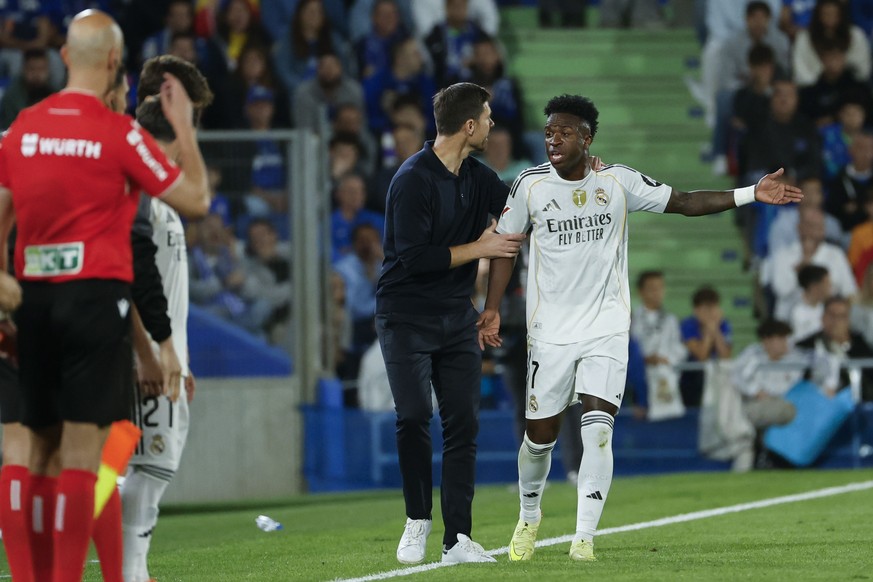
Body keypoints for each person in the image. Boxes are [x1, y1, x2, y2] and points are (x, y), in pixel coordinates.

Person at [477, 94, 800, 562]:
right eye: (548, 133)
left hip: (606, 328)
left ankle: (584, 538)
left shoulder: (618, 181)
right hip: (550, 333)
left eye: (564, 133)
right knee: (539, 439)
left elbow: (684, 201)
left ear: (587, 138)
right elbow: (506, 247)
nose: (553, 140)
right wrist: (492, 308)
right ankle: (529, 517)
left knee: (598, 431)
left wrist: (751, 192)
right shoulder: (529, 185)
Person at [0, 11, 210, 581]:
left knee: (34, 455)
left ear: (65, 56)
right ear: (115, 62)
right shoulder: (118, 134)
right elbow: (196, 199)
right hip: (97, 306)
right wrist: (184, 128)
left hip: (32, 305)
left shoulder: (23, 128)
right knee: (87, 461)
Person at [376, 82, 525, 565]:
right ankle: (417, 519)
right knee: (413, 415)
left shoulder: (479, 177)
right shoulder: (411, 179)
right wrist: (482, 247)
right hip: (405, 316)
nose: (492, 125)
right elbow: (416, 259)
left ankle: (456, 538)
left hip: (457, 315)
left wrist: (581, 178)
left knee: (463, 424)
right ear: (469, 125)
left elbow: (522, 206)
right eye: (487, 117)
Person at [121, 55, 214, 582]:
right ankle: (129, 569)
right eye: (189, 113)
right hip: (144, 358)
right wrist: (152, 350)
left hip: (163, 353)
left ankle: (131, 567)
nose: (191, 128)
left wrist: (177, 351)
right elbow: (128, 274)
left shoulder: (159, 190)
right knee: (143, 466)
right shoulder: (136, 184)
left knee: (140, 465)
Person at [790, 264, 831, 342]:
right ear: (814, 286)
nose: (830, 287)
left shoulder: (827, 308)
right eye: (827, 283)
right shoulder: (797, 311)